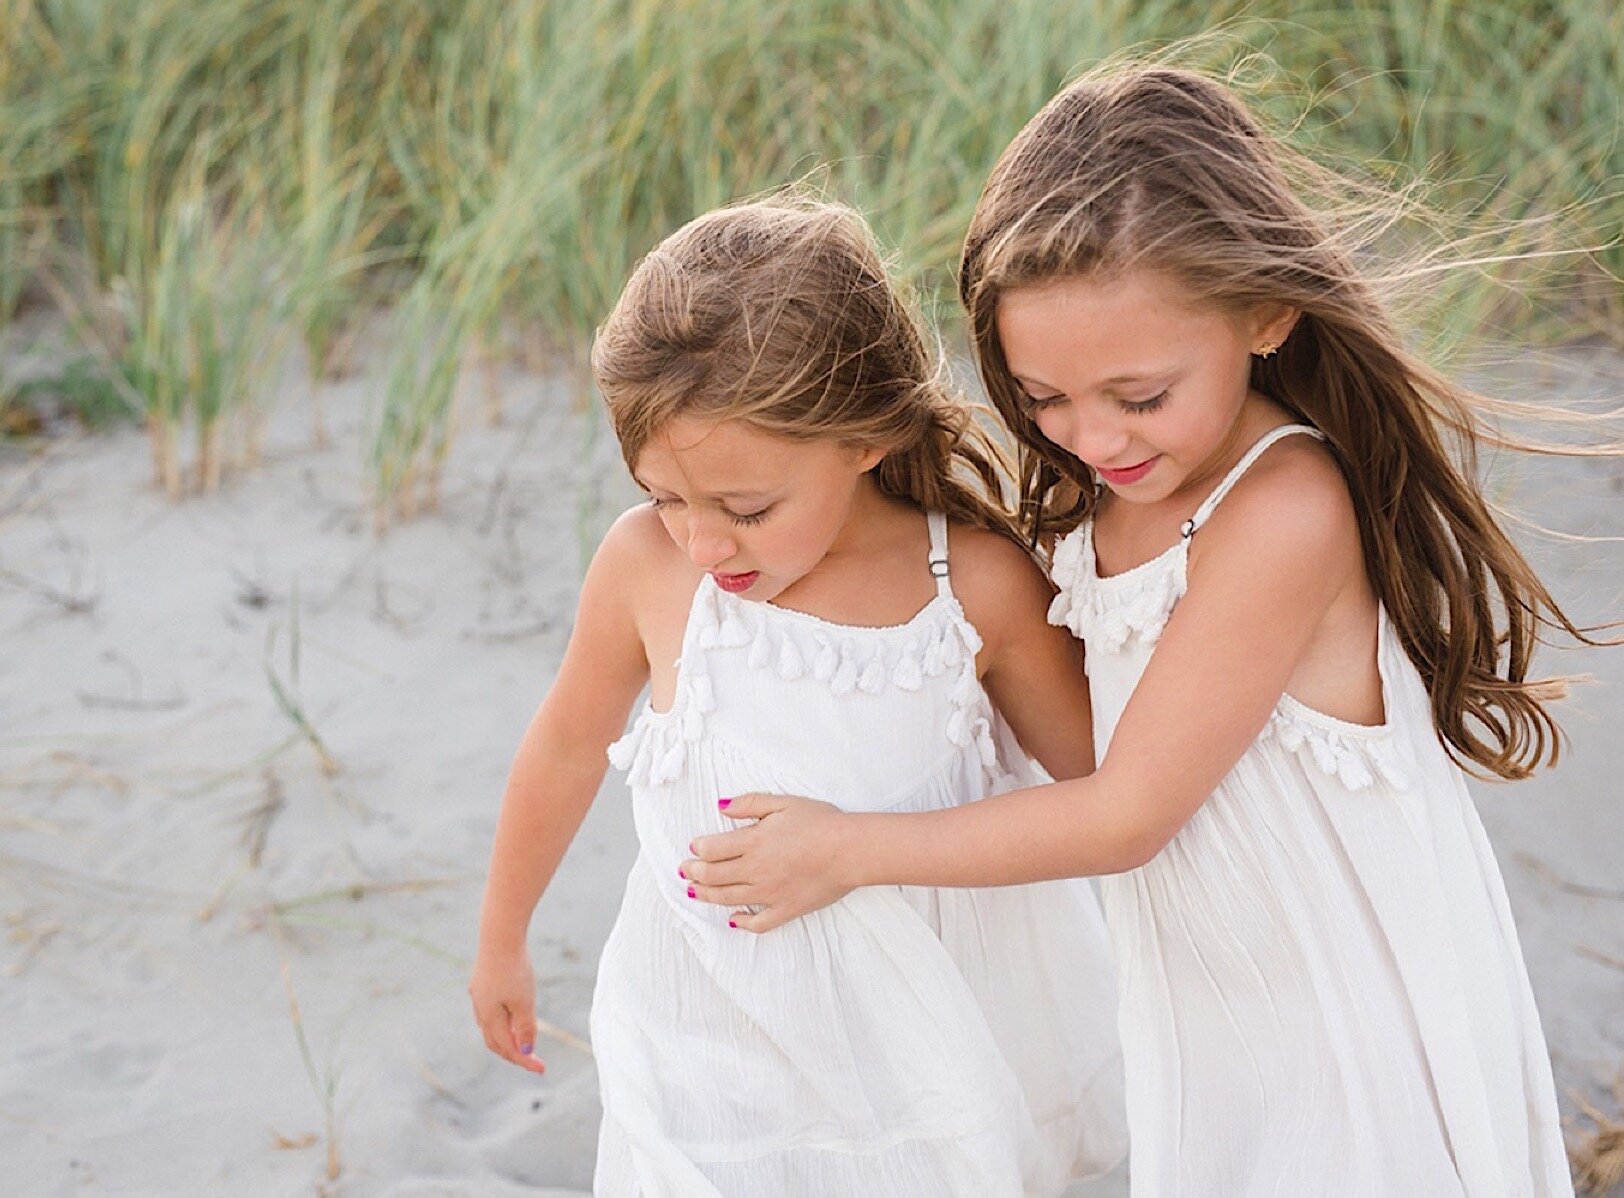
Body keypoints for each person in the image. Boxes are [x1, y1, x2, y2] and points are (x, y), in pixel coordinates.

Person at [682, 68, 1592, 1196]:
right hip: (1212, 991)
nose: (1090, 435)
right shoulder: (1110, 490)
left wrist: (846, 845)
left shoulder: (1282, 511)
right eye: (1043, 397)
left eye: (1140, 394)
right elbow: (1077, 738)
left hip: (1335, 992)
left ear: (1265, 314)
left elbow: (1125, 813)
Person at [469, 195, 1126, 1196]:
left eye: (746, 508)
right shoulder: (646, 569)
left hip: (929, 1038)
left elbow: (1103, 787)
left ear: (864, 439)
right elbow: (564, 744)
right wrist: (502, 937)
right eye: (664, 495)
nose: (702, 541)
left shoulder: (972, 587)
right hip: (719, 1030)